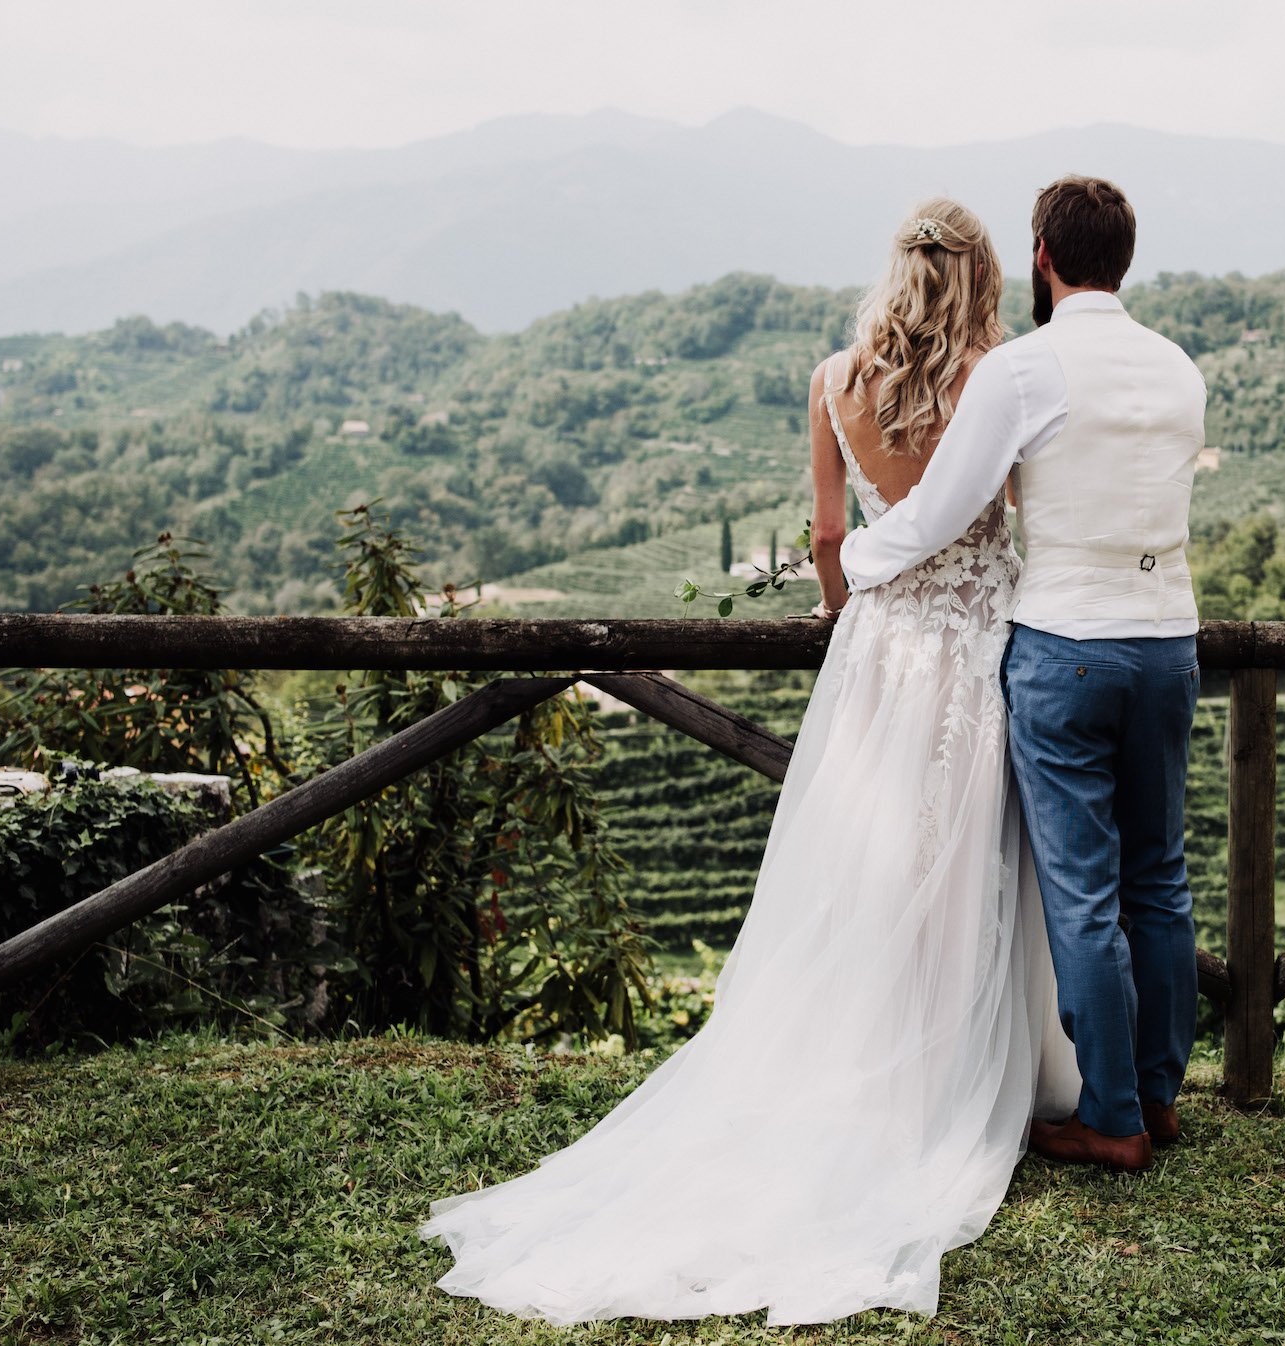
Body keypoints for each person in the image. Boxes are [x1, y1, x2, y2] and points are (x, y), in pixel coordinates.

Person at [421, 197, 1080, 1327]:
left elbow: (831, 540)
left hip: (876, 649)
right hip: (976, 640)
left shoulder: (833, 378)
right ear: (979, 277)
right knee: (970, 860)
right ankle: (960, 1077)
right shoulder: (997, 375)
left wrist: (843, 610)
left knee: (865, 868)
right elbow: (1010, 506)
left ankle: (863, 1071)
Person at [839, 175, 1208, 1175]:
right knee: (1161, 878)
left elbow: (944, 508)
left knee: (1082, 891)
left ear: (1043, 255)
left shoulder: (1027, 369)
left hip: (1066, 647)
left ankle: (1114, 1114)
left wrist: (860, 563)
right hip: (1169, 639)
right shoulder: (1180, 371)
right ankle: (1163, 1093)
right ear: (1124, 259)